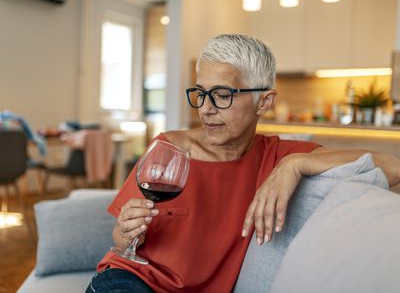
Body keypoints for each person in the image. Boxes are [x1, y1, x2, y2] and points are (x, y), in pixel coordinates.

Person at [86, 34, 400, 293]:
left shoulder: (279, 156)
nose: (206, 109)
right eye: (200, 94)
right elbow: (120, 239)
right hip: (131, 282)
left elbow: (392, 166)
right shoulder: (169, 148)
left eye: (222, 95)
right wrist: (126, 233)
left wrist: (294, 165)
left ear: (264, 101)